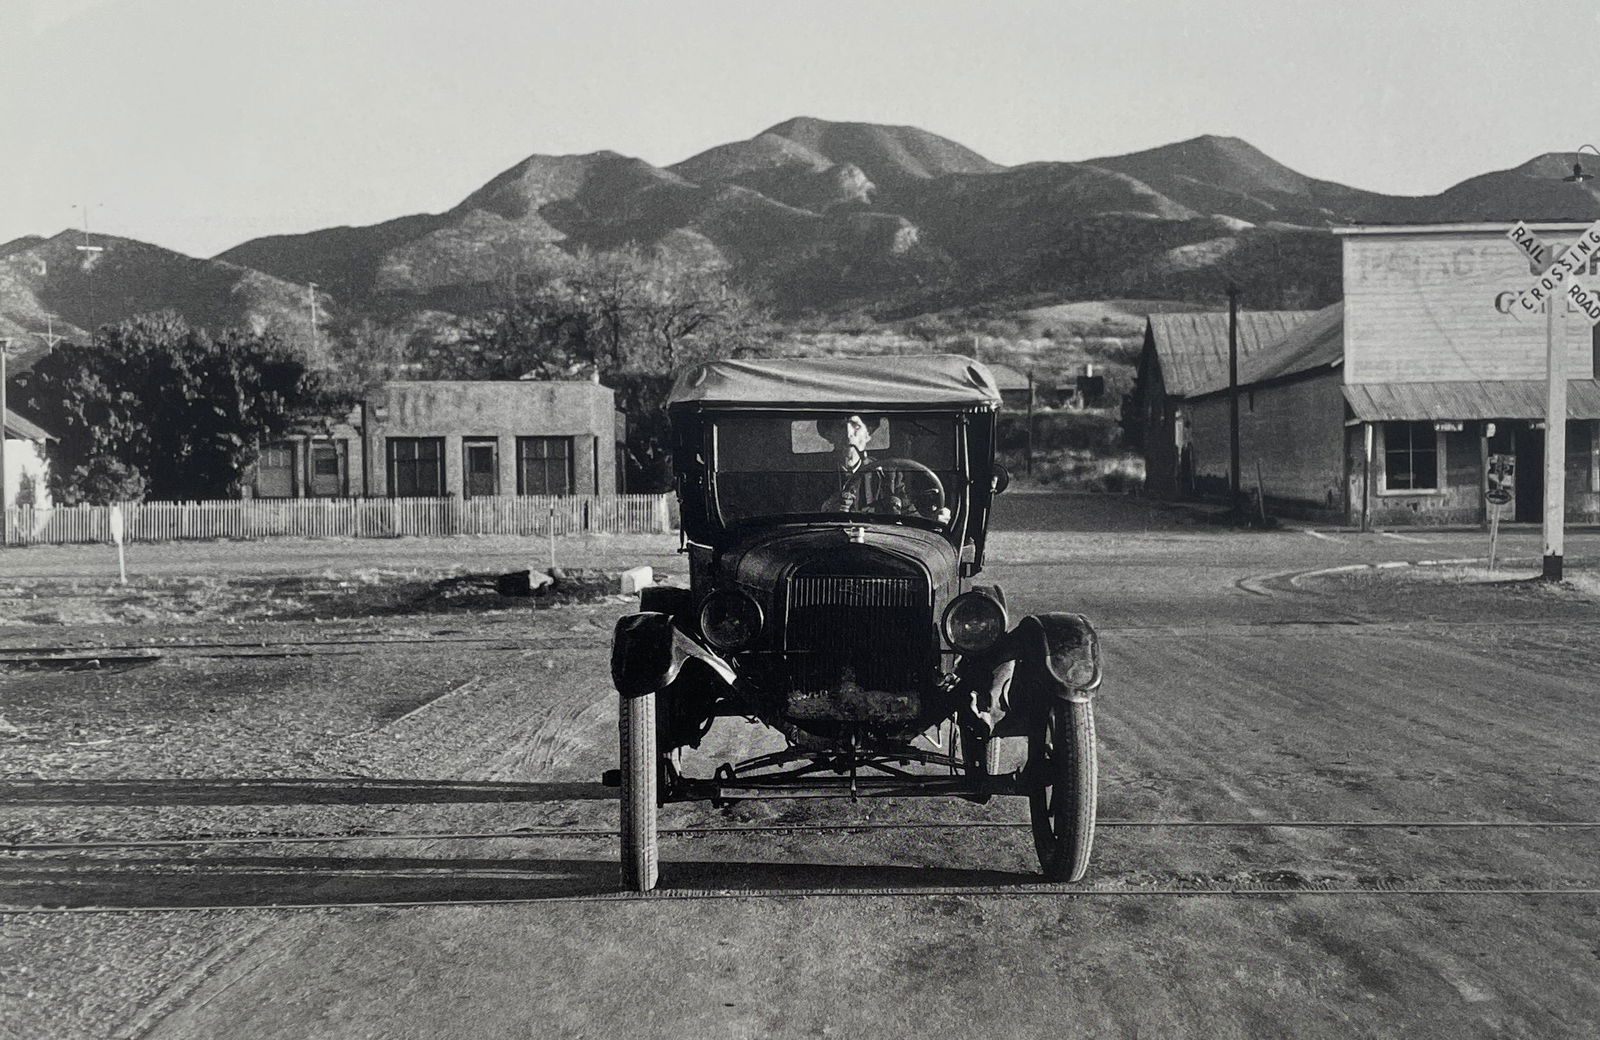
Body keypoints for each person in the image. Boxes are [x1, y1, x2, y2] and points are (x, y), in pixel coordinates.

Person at [817, 414, 907, 514]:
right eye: (841, 426)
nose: (848, 434)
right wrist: (825, 510)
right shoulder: (812, 474)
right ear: (829, 435)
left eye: (856, 426)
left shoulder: (888, 475)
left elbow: (913, 518)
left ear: (867, 434)